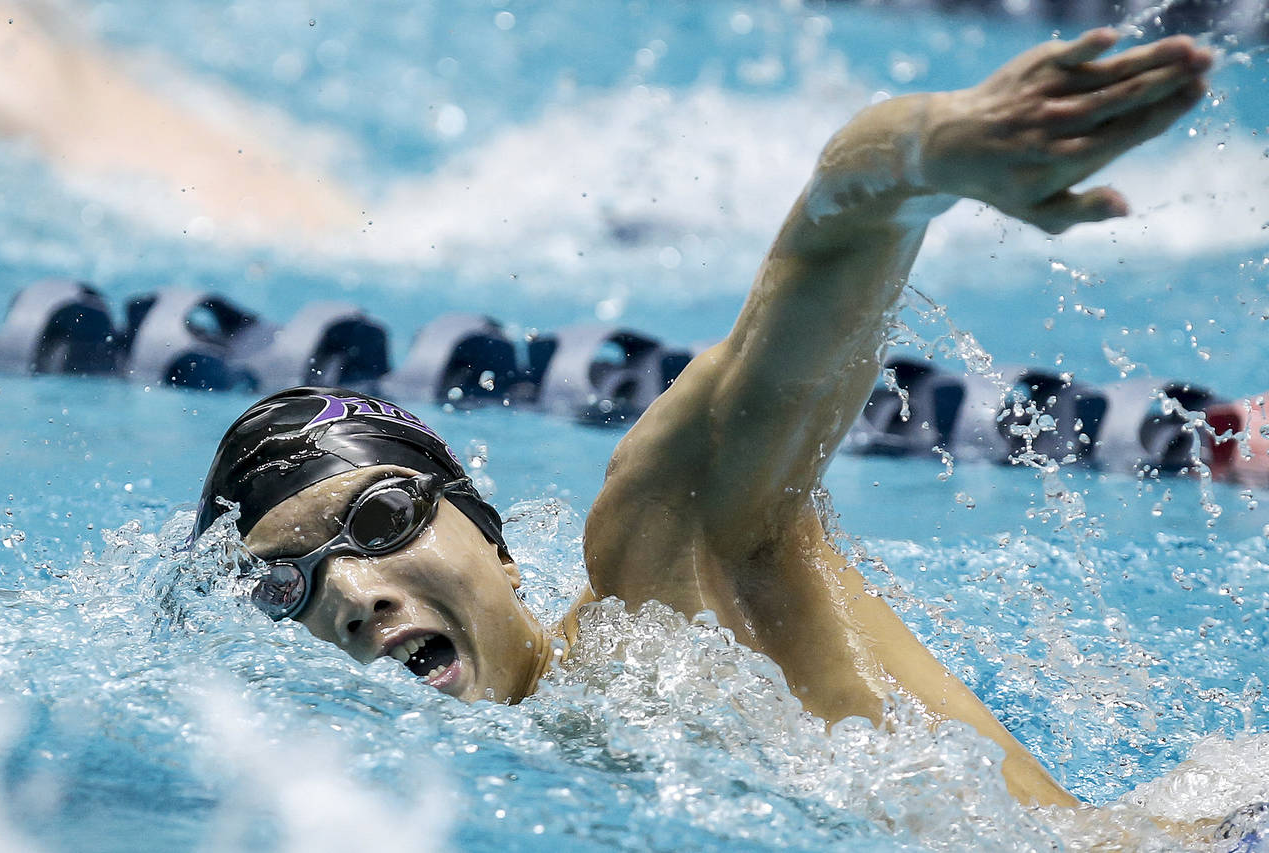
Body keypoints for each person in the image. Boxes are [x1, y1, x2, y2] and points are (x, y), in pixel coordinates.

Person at [193, 29, 1213, 812]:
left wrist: (920, 156)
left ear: (493, 541)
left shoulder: (660, 579)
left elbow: (809, 274)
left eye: (377, 520)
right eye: (290, 582)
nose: (353, 595)